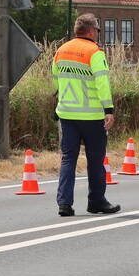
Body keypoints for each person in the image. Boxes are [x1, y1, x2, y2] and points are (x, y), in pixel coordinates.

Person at [51, 13, 120, 217]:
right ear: (91, 31)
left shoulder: (61, 51)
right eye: (97, 31)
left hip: (67, 115)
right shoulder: (95, 53)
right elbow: (102, 83)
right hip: (91, 117)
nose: (98, 35)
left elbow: (56, 80)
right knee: (96, 160)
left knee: (68, 159)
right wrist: (108, 110)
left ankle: (64, 204)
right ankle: (96, 202)